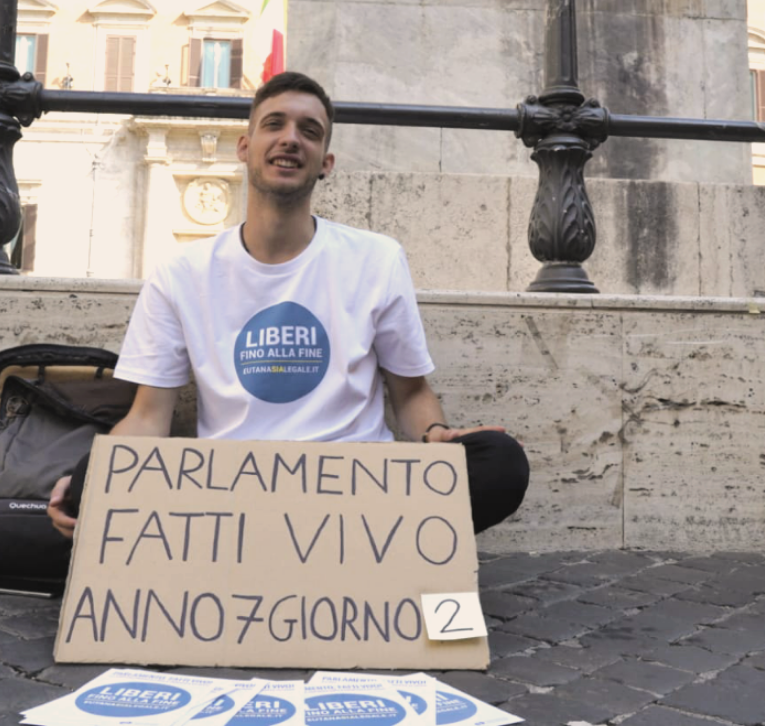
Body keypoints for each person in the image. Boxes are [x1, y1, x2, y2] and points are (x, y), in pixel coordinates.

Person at [48, 71, 528, 539]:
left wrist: (436, 434)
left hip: (356, 492)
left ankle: (326, 555)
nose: (291, 139)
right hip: (233, 490)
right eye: (274, 124)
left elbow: (410, 392)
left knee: (500, 462)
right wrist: (99, 481)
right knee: (90, 479)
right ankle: (317, 559)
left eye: (309, 131)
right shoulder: (182, 272)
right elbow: (149, 415)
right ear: (245, 147)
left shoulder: (377, 258)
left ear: (326, 162)